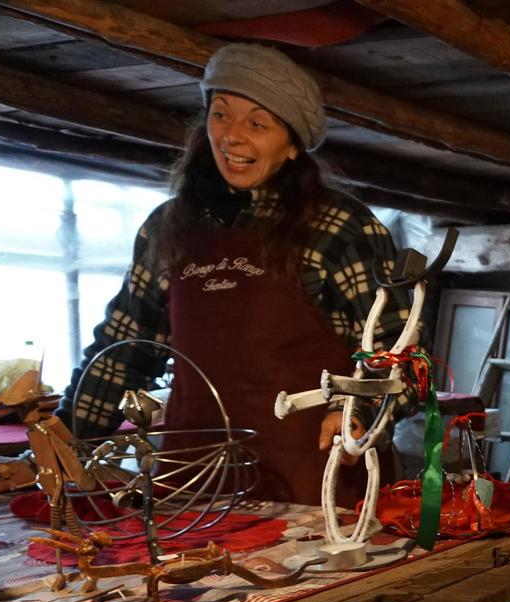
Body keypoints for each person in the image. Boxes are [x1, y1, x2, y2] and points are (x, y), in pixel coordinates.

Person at [58, 42, 415, 505]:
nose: (233, 136)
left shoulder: (339, 227)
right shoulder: (168, 228)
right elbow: (123, 350)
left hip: (317, 481)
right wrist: (65, 437)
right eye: (221, 114)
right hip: (193, 484)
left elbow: (399, 347)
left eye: (257, 123)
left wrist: (360, 411)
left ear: (292, 146)